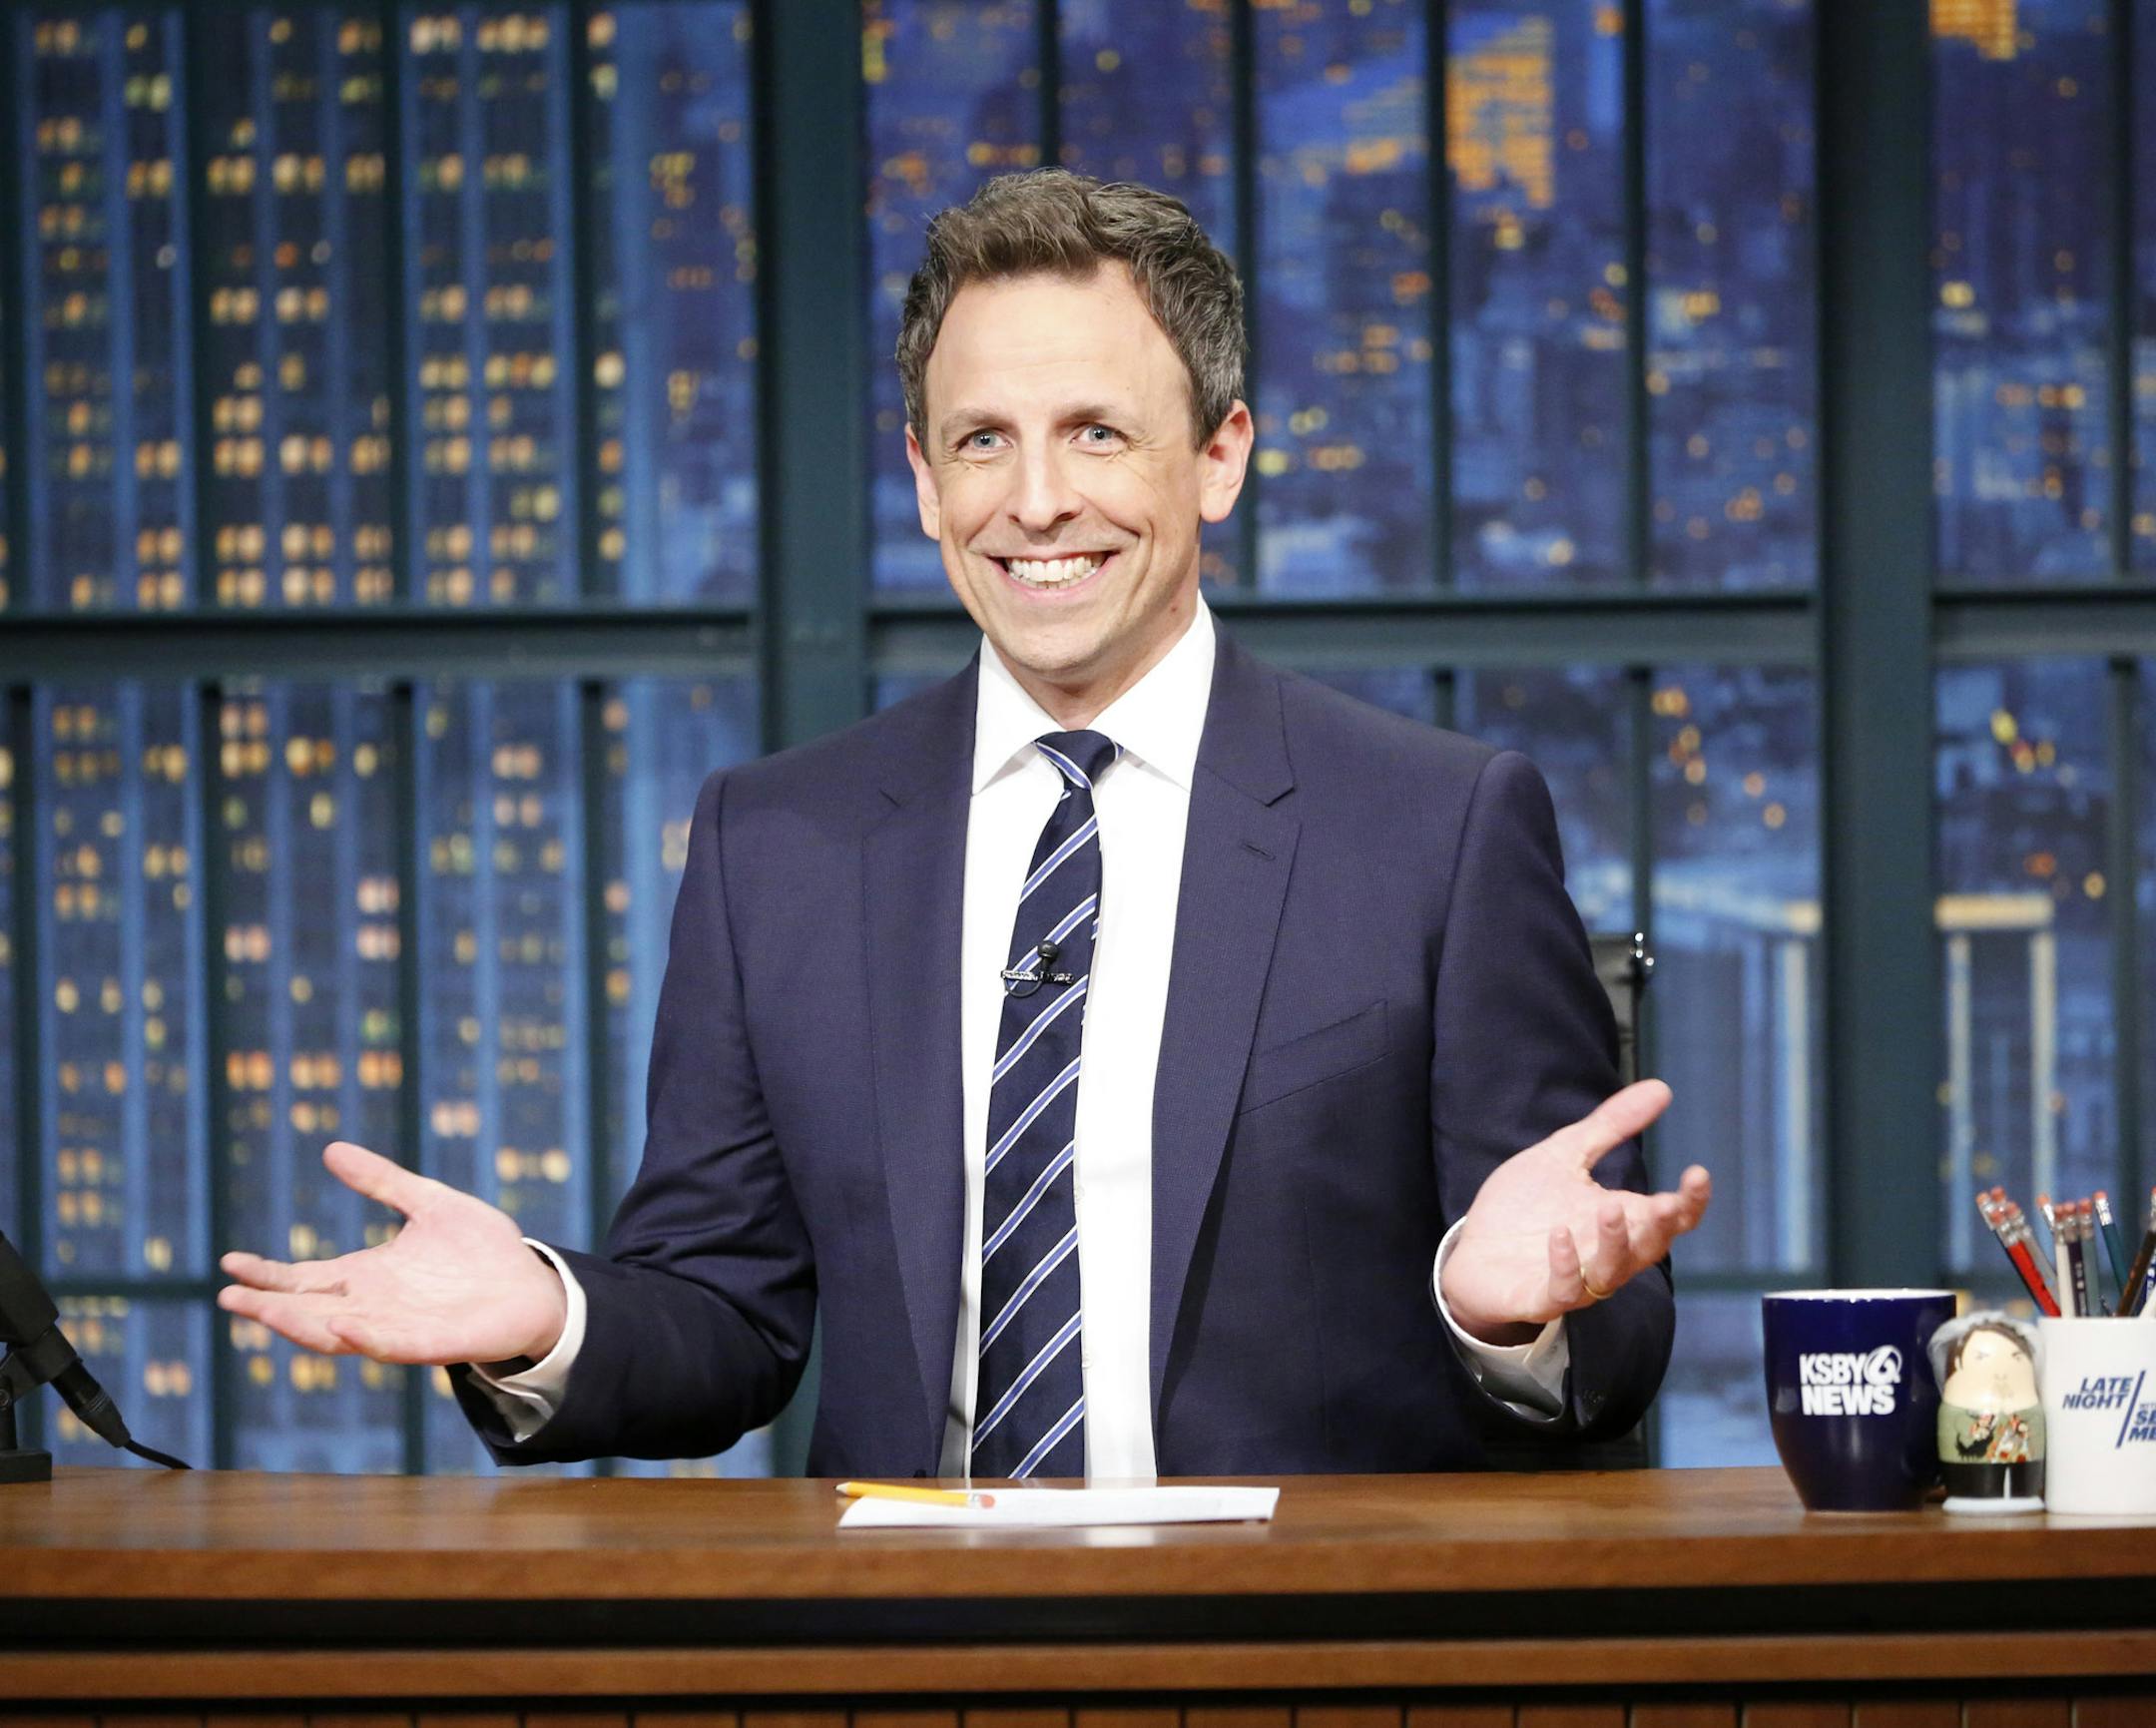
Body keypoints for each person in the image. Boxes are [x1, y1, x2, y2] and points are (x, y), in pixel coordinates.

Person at [219, 171, 1711, 1478]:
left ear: (1221, 454)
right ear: (926, 483)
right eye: (982, 442)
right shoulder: (775, 844)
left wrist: (1502, 1306)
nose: (1038, 501)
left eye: (1097, 434)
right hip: (905, 1640)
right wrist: (553, 1314)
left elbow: (1609, 1327)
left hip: (1290, 1636)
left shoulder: (1438, 825)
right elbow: (730, 1320)